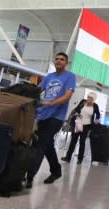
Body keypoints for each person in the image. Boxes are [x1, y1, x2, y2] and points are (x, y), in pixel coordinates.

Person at [27, 52, 75, 187]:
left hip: (56, 117)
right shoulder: (49, 77)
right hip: (43, 115)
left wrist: (51, 103)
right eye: (57, 59)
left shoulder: (70, 76)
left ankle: (29, 177)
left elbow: (67, 96)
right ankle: (56, 170)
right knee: (47, 144)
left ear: (66, 62)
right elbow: (38, 91)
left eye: (62, 59)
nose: (59, 61)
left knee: (39, 144)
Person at [62, 92, 101, 164]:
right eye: (88, 97)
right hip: (78, 123)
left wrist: (97, 120)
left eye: (91, 98)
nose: (89, 99)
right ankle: (68, 157)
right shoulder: (83, 102)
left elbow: (98, 114)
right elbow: (77, 109)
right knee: (73, 140)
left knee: (82, 142)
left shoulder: (95, 106)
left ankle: (80, 159)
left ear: (93, 99)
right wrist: (76, 113)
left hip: (87, 126)